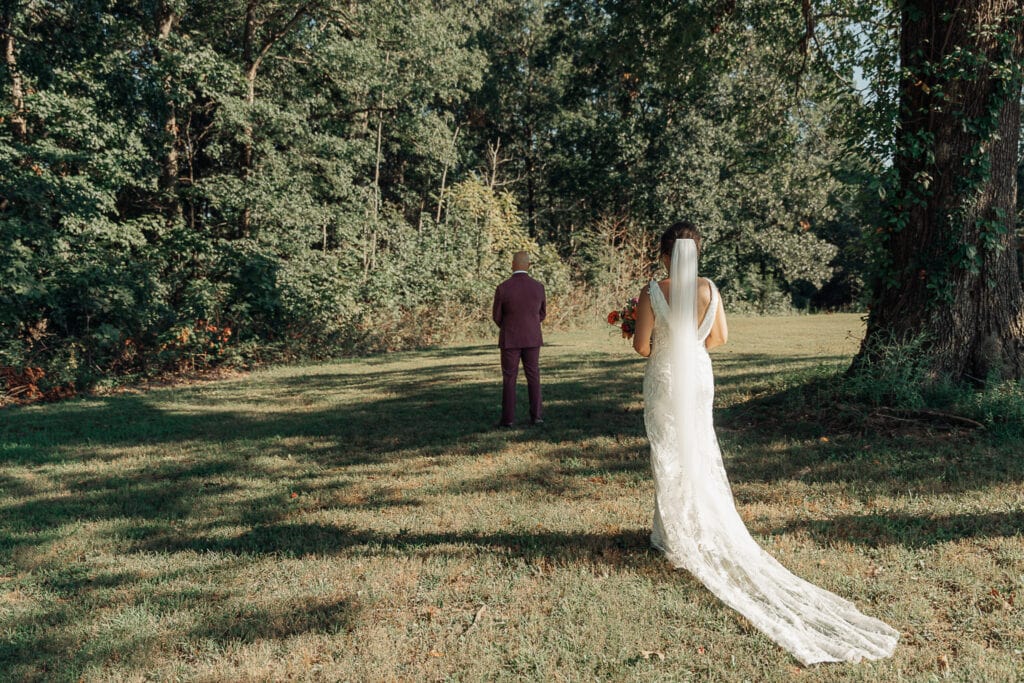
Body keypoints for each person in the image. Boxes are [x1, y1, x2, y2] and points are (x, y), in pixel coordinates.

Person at [631, 221, 899, 665]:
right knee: (698, 447)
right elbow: (719, 339)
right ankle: (684, 527)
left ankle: (673, 535)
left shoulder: (651, 291)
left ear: (664, 254)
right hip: (697, 376)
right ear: (696, 253)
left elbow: (642, 346)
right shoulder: (710, 289)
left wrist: (647, 332)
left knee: (670, 452)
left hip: (664, 376)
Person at [492, 251, 546, 427]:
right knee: (533, 375)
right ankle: (536, 416)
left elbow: (496, 316)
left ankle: (508, 419)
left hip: (510, 338)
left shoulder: (503, 287)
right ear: (528, 266)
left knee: (509, 378)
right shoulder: (538, 287)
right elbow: (542, 314)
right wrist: (530, 325)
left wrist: (509, 327)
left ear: (512, 264)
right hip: (532, 337)